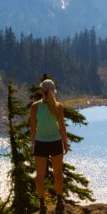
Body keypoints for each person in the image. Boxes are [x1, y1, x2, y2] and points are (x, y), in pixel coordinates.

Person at [30, 78, 69, 206]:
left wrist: (33, 144)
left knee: (40, 176)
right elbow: (62, 127)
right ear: (53, 90)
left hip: (40, 143)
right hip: (56, 142)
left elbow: (33, 128)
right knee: (58, 173)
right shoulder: (58, 107)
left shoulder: (35, 106)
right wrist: (65, 143)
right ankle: (59, 200)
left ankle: (42, 203)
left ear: (42, 90)